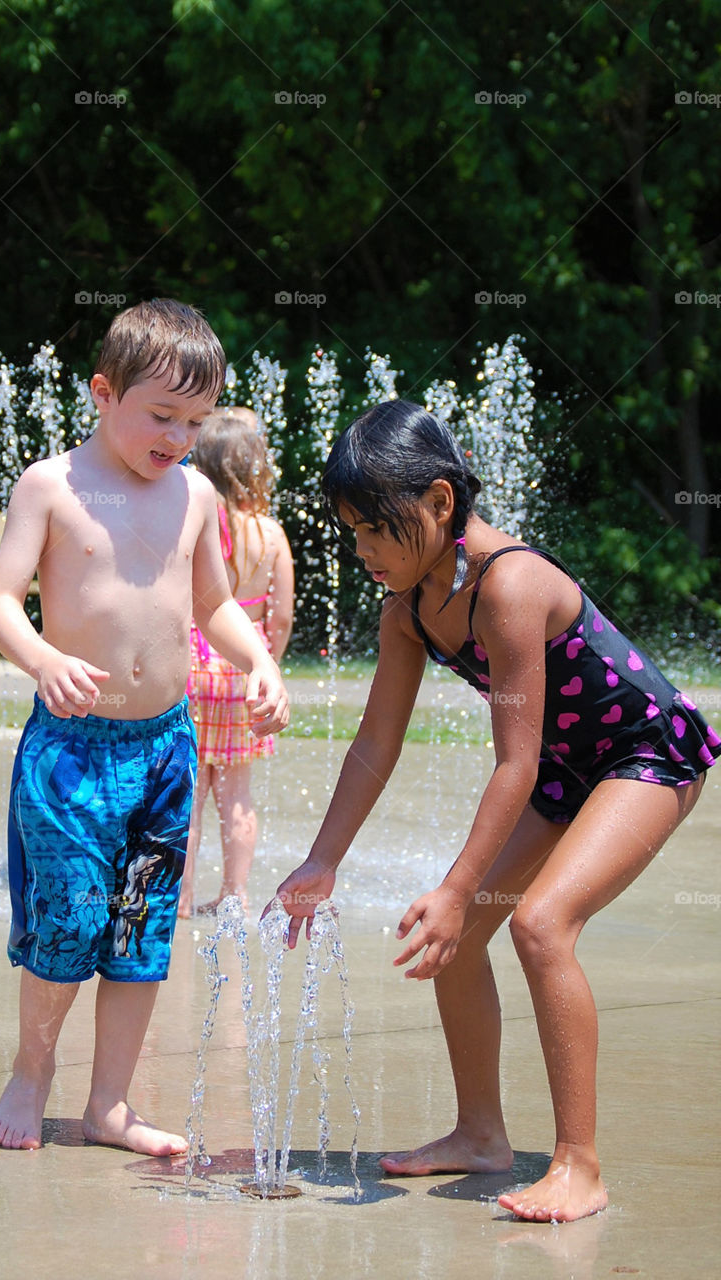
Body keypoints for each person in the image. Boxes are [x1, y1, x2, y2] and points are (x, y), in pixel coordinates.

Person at [267, 400, 719, 1222]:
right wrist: (323, 858)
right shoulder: (407, 610)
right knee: (467, 933)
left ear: (441, 503)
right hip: (562, 769)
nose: (361, 549)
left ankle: (580, 1166)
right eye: (351, 531)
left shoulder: (509, 586)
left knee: (539, 925)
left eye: (374, 528)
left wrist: (453, 885)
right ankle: (481, 1135)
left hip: (644, 756)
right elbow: (375, 743)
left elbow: (514, 760)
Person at [0, 299, 289, 1153]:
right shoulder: (52, 486)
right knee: (69, 919)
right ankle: (32, 1070)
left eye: (194, 421)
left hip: (165, 748)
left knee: (141, 927)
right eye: (160, 416)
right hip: (72, 751)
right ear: (102, 392)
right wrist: (42, 658)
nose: (178, 437)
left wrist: (259, 661)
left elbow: (214, 603)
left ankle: (109, 1102)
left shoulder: (192, 494)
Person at [177, 412, 294, 917]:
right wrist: (266, 665)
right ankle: (235, 893)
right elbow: (282, 614)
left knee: (189, 794)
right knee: (238, 794)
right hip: (245, 674)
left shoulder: (195, 523)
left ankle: (177, 898)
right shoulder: (270, 535)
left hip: (191, 666)